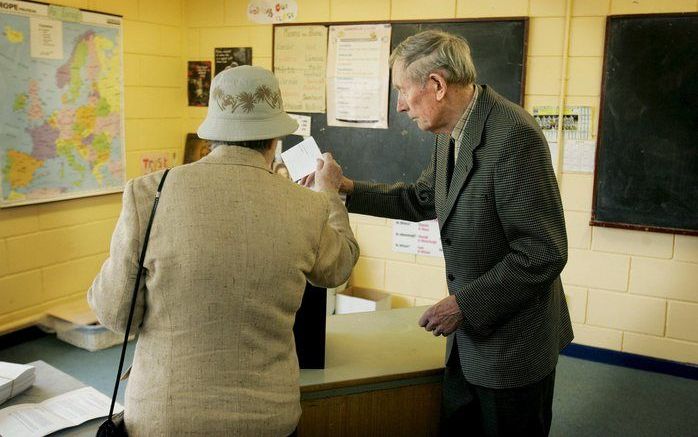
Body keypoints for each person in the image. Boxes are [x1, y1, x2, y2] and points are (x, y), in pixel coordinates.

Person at [310, 30, 573, 436]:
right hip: (468, 341)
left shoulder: (513, 136)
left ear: (435, 85)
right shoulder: (452, 129)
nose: (399, 105)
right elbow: (421, 199)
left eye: (402, 90)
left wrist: (462, 304)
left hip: (512, 348)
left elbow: (543, 252)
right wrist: (346, 188)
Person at [88, 65, 359, 436]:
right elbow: (339, 266)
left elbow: (116, 314)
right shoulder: (306, 206)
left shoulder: (148, 193)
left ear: (212, 135)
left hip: (166, 417)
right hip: (267, 419)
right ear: (275, 139)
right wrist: (328, 193)